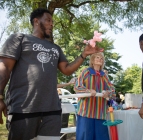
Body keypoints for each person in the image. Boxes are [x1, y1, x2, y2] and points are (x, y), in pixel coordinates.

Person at [0, 8, 103, 140]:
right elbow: (4, 68)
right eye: (48, 20)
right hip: (24, 108)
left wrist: (84, 54)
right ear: (36, 21)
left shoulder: (55, 48)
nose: (52, 24)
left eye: (52, 21)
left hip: (52, 110)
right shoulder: (19, 39)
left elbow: (66, 69)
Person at [74, 52, 115, 140]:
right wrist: (88, 91)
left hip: (100, 112)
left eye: (101, 58)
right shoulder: (86, 71)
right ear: (92, 60)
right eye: (97, 57)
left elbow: (112, 90)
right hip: (86, 111)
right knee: (85, 137)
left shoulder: (104, 75)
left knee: (101, 137)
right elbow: (77, 86)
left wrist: (108, 92)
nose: (100, 59)